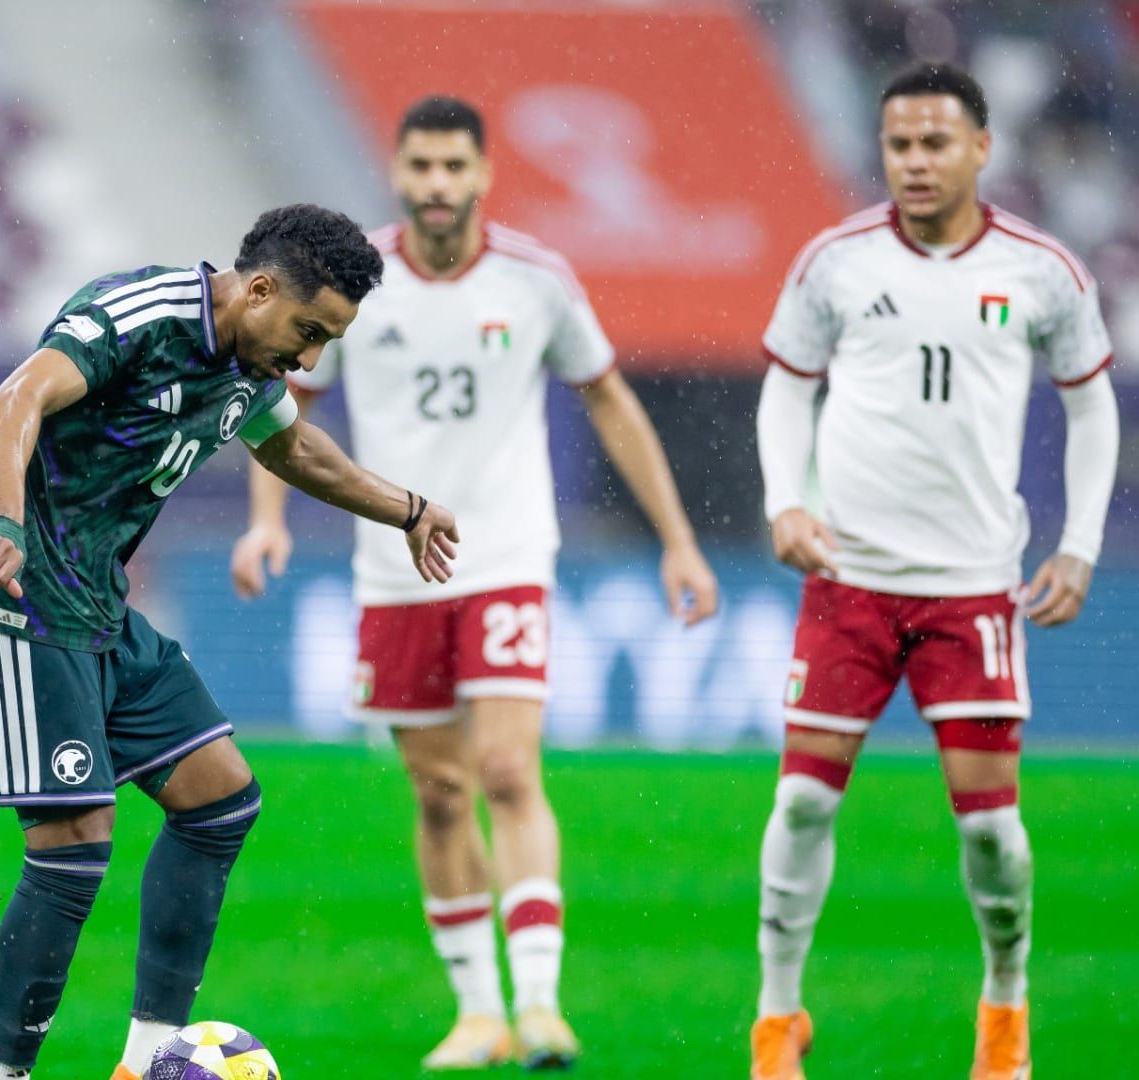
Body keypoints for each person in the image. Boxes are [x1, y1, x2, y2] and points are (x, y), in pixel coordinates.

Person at [0, 204, 459, 1080]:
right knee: (74, 845)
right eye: (309, 332)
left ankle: (146, 1063)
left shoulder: (249, 363)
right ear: (259, 289)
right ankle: (1, 1073)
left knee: (219, 799)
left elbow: (295, 451)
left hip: (95, 604)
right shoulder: (142, 316)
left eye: (327, 343)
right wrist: (5, 521)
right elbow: (16, 398)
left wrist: (409, 509)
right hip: (11, 597)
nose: (310, 360)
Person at [230, 96, 719, 1071]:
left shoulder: (537, 278)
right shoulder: (353, 286)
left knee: (505, 771)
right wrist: (266, 521)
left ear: (483, 175)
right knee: (441, 792)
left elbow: (609, 398)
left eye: (455, 166)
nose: (438, 184)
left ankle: (539, 1004)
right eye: (422, 166)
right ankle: (478, 1013)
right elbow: (284, 407)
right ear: (399, 172)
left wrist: (677, 540)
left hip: (505, 559)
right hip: (393, 569)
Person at [748, 63, 1118, 1080]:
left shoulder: (1042, 270)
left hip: (971, 589)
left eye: (935, 143)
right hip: (849, 582)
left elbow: (1092, 403)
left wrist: (1080, 543)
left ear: (981, 148)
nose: (914, 162)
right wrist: (785, 500)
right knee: (803, 804)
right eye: (899, 145)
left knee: (991, 830)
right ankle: (776, 1024)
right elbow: (786, 388)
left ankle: (1004, 1003)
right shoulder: (835, 262)